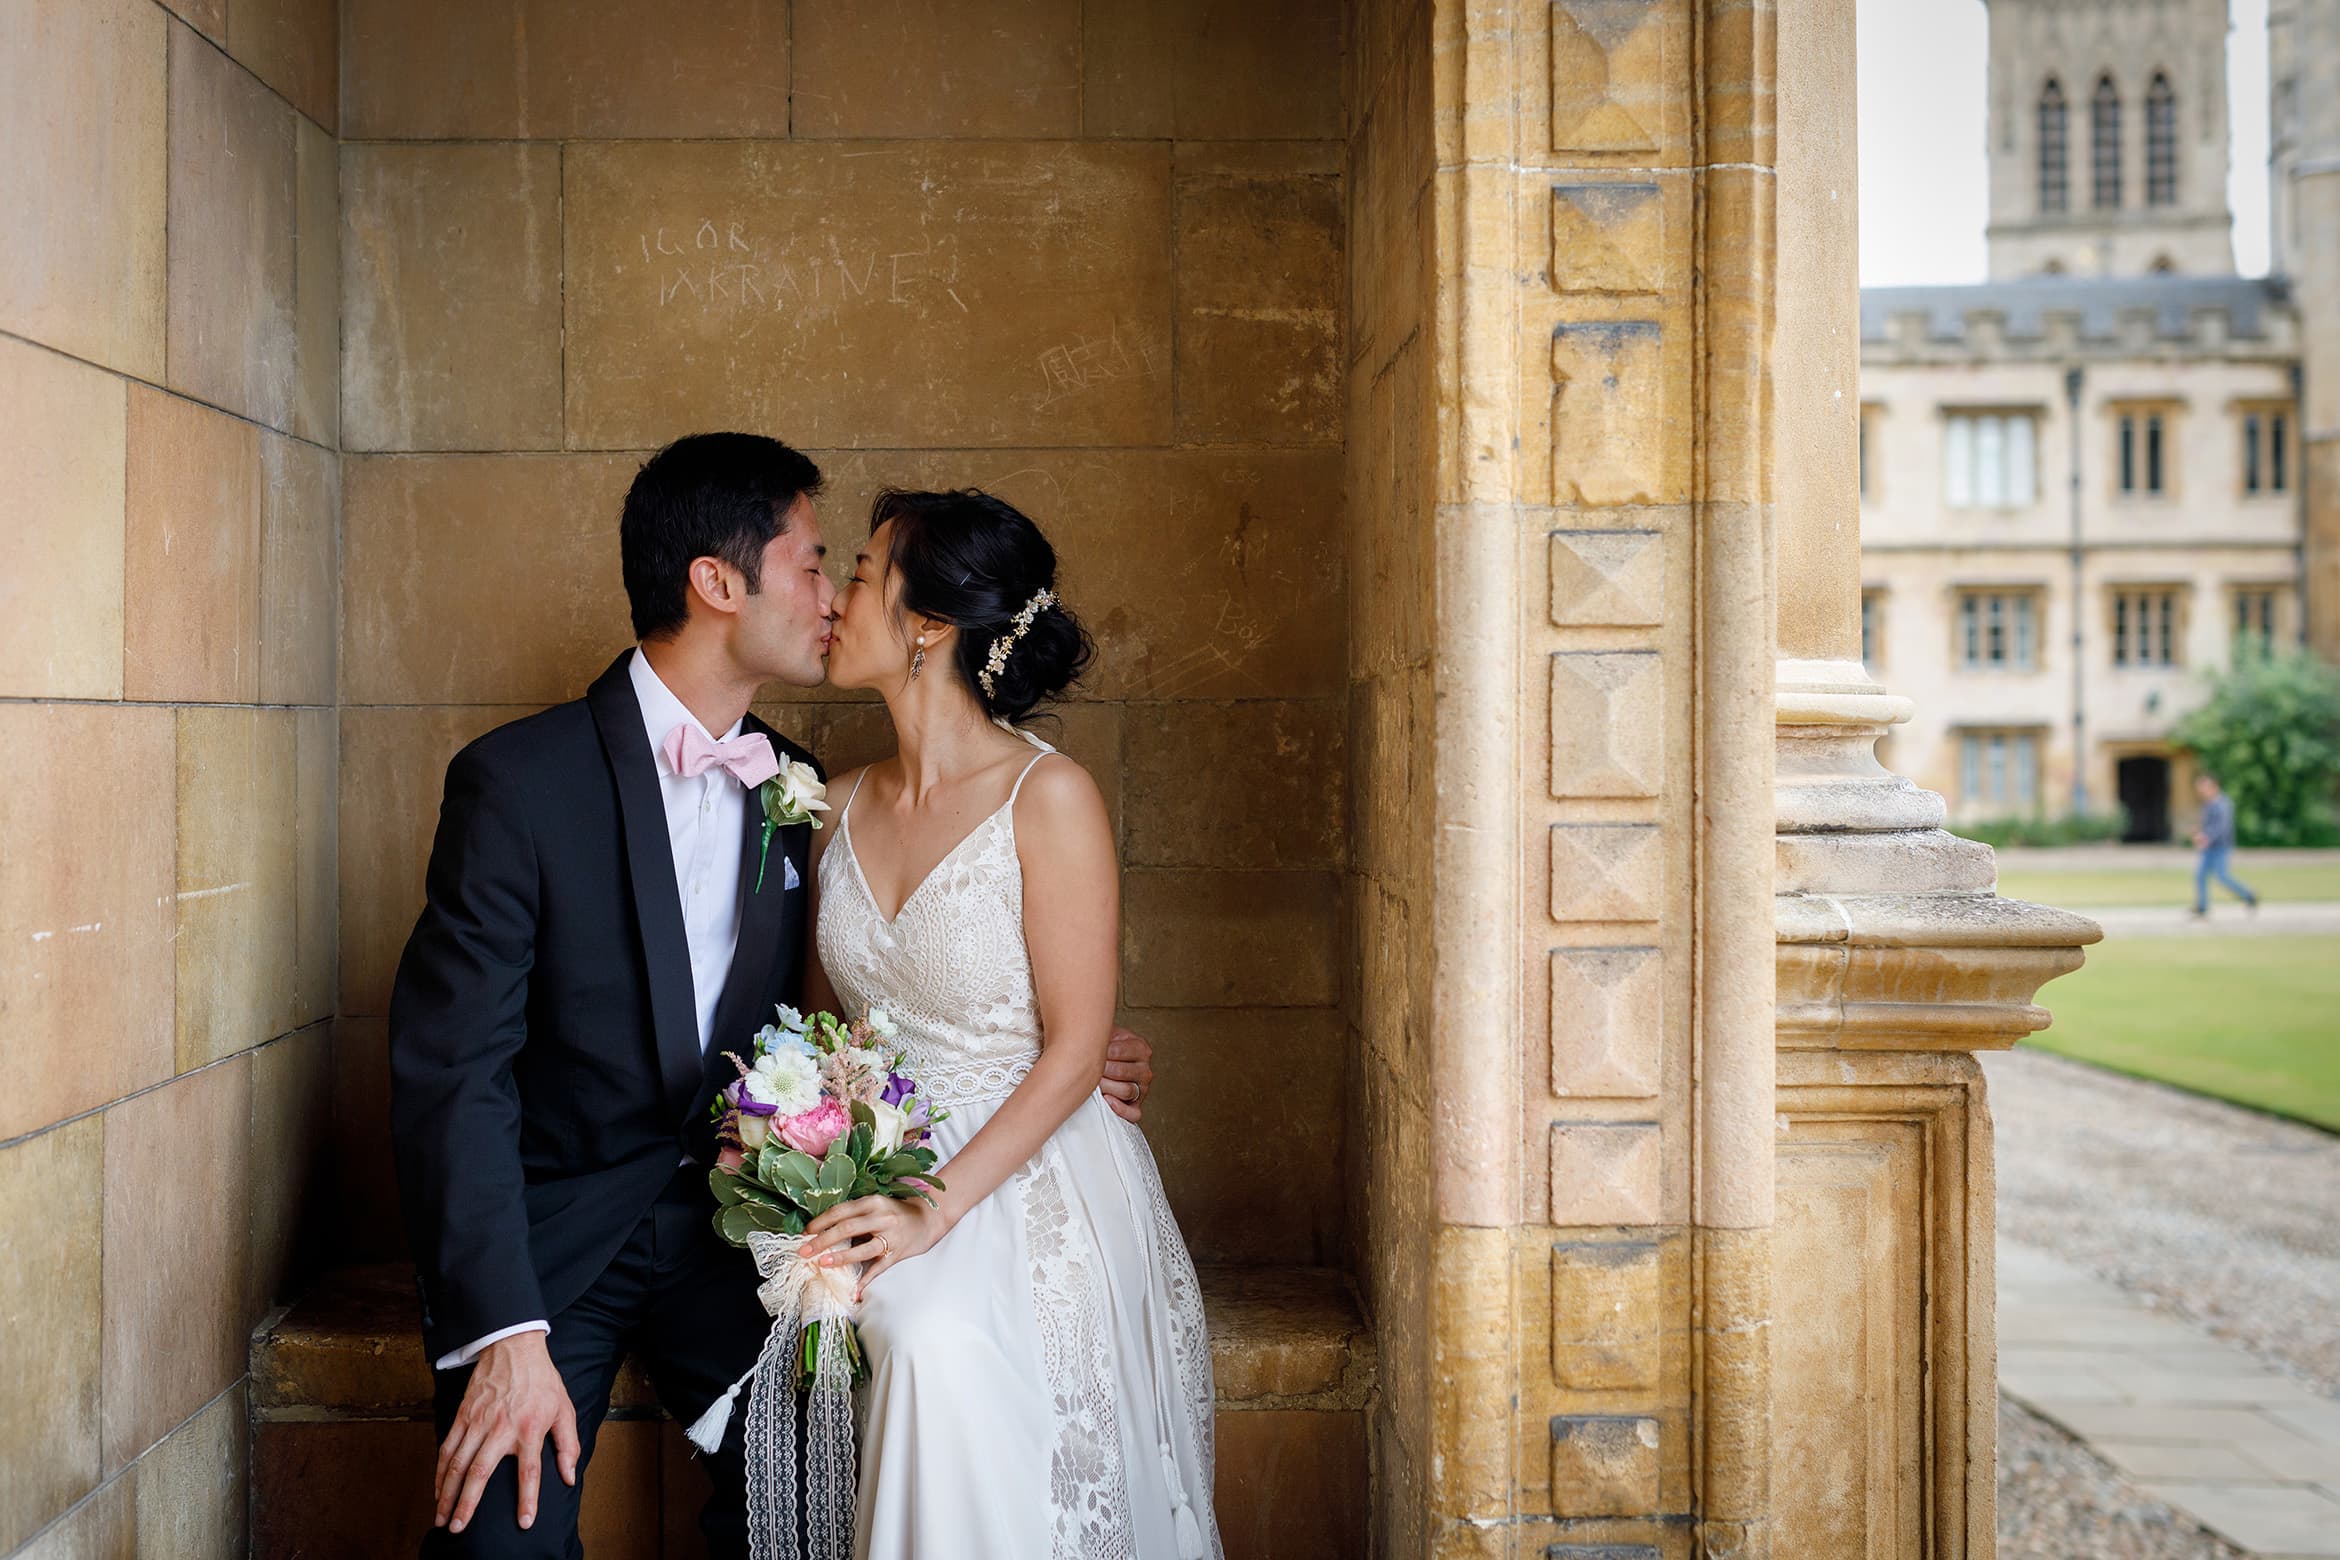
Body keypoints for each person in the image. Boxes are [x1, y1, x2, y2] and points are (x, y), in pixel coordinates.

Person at [387, 435, 1160, 1557]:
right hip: (558, 1248)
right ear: (716, 583)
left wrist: (1076, 1050)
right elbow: (452, 1074)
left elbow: (889, 1000)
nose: (829, 597)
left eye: (848, 573)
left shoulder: (791, 788)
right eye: (811, 565)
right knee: (498, 1535)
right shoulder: (520, 784)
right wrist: (505, 1330)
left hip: (736, 1234)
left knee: (805, 1499)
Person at [794, 488, 1220, 1559]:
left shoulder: (1050, 796)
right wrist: (798, 1156)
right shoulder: (829, 807)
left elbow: (1080, 1045)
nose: (835, 598)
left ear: (929, 623)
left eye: (857, 573)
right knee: (856, 1322)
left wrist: (930, 1214)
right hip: (885, 1151)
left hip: (1034, 1168)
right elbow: (819, 1035)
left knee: (930, 1340)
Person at [2190, 772, 2258, 918]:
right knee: (2200, 875)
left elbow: (2222, 827)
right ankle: (2202, 907)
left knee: (2222, 877)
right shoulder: (2207, 805)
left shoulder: (2223, 804)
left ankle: (2249, 895)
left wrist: (2206, 837)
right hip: (2208, 847)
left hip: (2221, 847)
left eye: (2204, 787)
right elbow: (2207, 825)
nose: (2201, 790)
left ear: (2214, 786)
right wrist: (2199, 833)